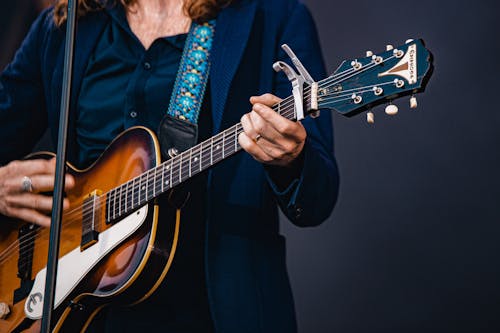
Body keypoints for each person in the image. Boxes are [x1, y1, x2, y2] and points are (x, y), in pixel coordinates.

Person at [0, 0, 339, 331]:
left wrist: (292, 159)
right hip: (76, 312)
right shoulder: (65, 23)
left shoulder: (272, 15)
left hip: (211, 310)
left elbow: (317, 200)